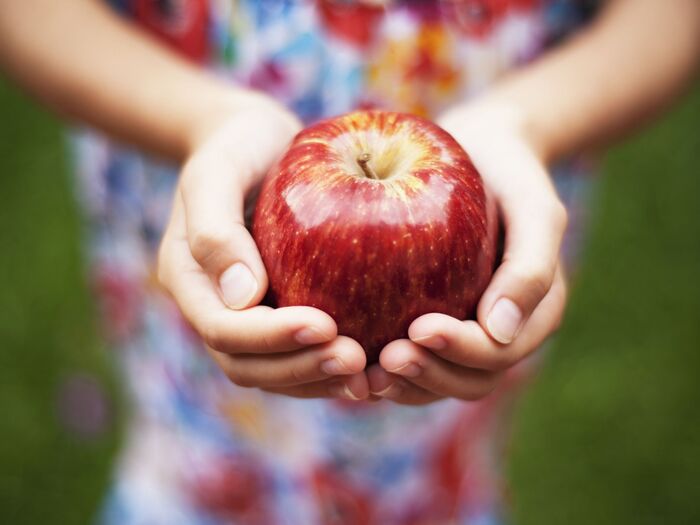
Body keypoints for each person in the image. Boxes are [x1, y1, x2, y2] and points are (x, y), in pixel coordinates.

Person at [1, 0, 698, 523]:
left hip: (471, 221)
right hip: (205, 198)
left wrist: (527, 122)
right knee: (199, 448)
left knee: (439, 439)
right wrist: (203, 121)